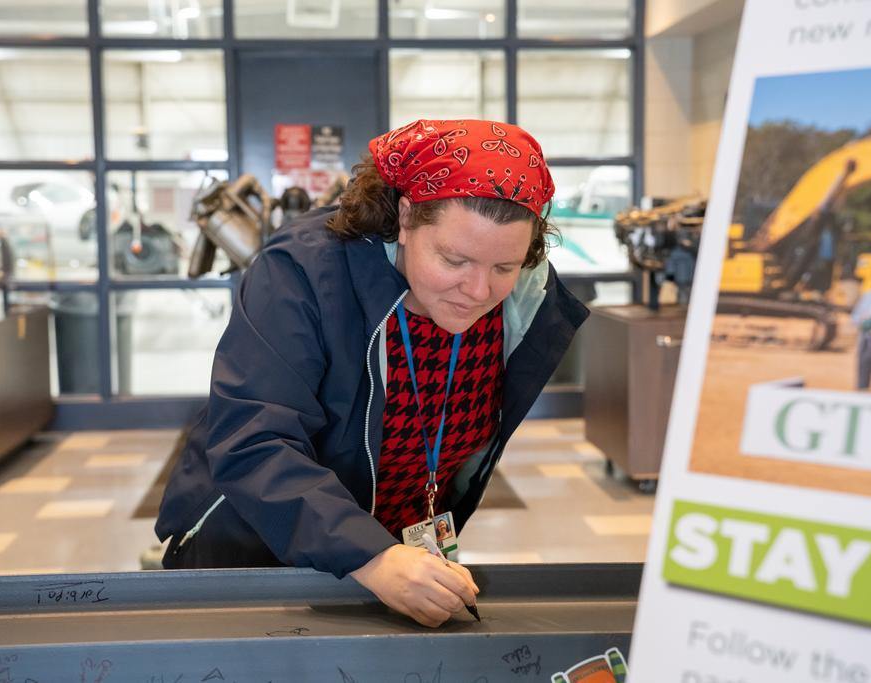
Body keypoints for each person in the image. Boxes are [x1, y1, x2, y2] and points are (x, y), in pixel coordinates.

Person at [154, 119, 588, 628]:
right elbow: (255, 439)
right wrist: (370, 556)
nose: (477, 290)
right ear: (406, 217)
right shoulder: (303, 272)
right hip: (259, 555)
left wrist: (391, 559)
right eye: (454, 259)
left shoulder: (524, 301)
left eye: (503, 267)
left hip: (394, 566)